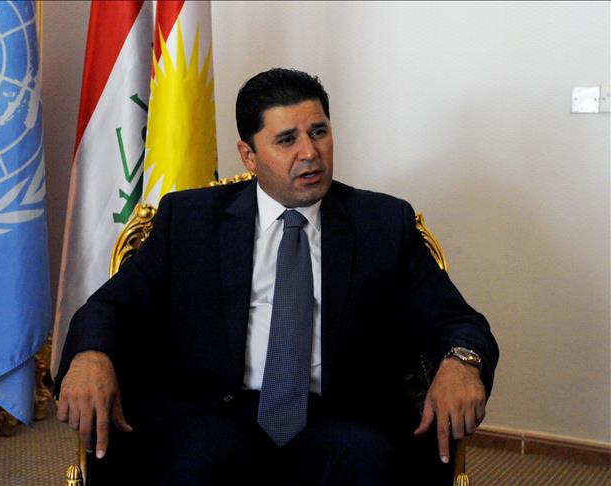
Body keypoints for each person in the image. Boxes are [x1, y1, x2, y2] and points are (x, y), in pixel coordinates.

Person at [56, 68, 498, 485]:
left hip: (340, 414)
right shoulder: (189, 221)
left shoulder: (382, 224)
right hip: (214, 412)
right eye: (287, 139)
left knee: (368, 462)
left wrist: (462, 362)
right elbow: (112, 306)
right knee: (196, 462)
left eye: (319, 132)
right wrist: (90, 356)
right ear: (248, 155)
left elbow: (455, 319)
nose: (309, 153)